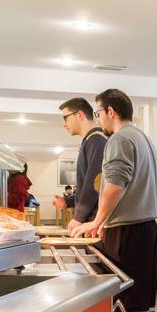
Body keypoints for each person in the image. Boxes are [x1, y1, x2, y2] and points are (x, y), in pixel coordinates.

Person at [74, 88, 157, 312]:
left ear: (110, 111)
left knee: (132, 303)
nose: (98, 120)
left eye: (98, 113)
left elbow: (114, 184)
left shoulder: (120, 139)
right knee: (133, 302)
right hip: (142, 226)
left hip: (129, 229)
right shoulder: (142, 138)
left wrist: (97, 221)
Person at [57, 97, 107, 229]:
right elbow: (85, 185)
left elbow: (94, 183)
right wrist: (67, 201)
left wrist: (78, 217)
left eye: (65, 118)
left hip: (95, 221)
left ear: (79, 115)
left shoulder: (96, 140)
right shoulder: (90, 141)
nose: (64, 124)